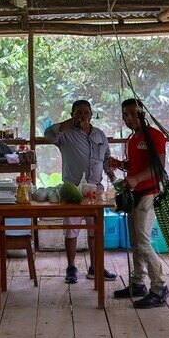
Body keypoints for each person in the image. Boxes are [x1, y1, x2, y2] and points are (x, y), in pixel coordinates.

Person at [43, 99, 117, 284]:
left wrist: (113, 177)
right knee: (71, 229)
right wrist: (71, 122)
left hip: (95, 190)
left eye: (85, 113)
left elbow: (106, 158)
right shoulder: (65, 134)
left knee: (95, 229)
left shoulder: (100, 135)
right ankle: (71, 267)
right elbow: (48, 134)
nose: (82, 116)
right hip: (73, 190)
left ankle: (95, 267)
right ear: (72, 114)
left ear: (92, 115)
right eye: (78, 112)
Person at [109, 98, 169, 308]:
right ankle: (137, 283)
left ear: (142, 113)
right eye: (125, 114)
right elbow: (134, 166)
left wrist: (134, 179)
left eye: (133, 113)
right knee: (135, 242)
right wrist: (120, 165)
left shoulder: (154, 136)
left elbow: (158, 169)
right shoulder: (133, 139)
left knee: (143, 242)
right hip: (134, 194)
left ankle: (159, 287)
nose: (129, 118)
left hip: (149, 194)